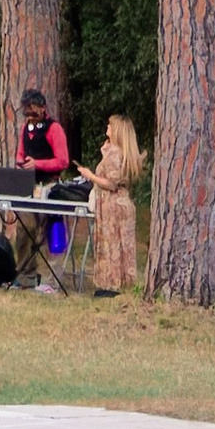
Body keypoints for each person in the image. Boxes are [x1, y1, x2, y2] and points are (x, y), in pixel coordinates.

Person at [80, 113, 146, 295]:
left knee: (111, 243)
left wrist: (90, 175)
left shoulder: (115, 154)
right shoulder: (123, 152)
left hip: (112, 203)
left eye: (110, 125)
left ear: (117, 130)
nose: (106, 127)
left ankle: (110, 284)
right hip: (123, 202)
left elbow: (111, 183)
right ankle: (123, 281)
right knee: (122, 244)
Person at [16, 86, 73, 288]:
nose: (29, 114)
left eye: (32, 109)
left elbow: (63, 160)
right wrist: (21, 162)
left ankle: (53, 280)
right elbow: (20, 153)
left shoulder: (54, 129)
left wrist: (38, 164)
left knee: (53, 233)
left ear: (41, 108)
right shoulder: (25, 129)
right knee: (25, 229)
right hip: (29, 186)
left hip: (50, 185)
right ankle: (25, 277)